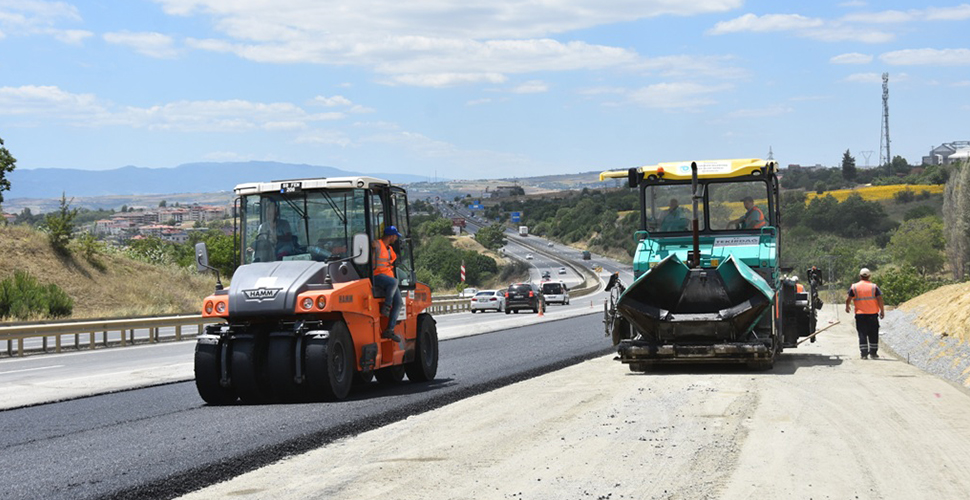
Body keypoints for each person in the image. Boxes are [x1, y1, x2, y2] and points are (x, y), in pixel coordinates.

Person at [845, 268, 885, 359]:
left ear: (860, 276)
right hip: (872, 314)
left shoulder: (854, 287)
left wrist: (847, 306)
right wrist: (882, 310)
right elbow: (880, 299)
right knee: (873, 333)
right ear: (869, 276)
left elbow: (848, 298)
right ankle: (873, 353)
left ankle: (864, 354)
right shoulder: (874, 287)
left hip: (860, 315)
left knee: (862, 333)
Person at [373, 225, 403, 342]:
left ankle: (389, 330)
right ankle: (387, 306)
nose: (396, 238)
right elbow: (371, 247)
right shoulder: (377, 244)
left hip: (389, 280)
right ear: (391, 236)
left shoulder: (389, 249)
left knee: (399, 303)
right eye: (395, 236)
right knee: (394, 282)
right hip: (377, 276)